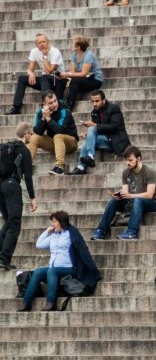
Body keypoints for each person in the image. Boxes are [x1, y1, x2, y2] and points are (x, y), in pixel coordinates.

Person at [18, 210, 101, 312]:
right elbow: (39, 245)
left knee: (51, 271)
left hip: (69, 268)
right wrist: (47, 232)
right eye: (52, 222)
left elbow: (82, 249)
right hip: (53, 269)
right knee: (38, 271)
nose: (53, 224)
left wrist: (91, 268)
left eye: (55, 221)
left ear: (61, 222)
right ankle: (26, 302)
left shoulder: (71, 233)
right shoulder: (53, 235)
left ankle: (51, 302)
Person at [90, 145, 156, 241]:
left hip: (152, 202)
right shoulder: (126, 172)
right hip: (133, 201)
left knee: (138, 200)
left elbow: (149, 194)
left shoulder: (149, 172)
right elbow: (126, 192)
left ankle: (132, 233)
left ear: (138, 159)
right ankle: (100, 231)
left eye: (130, 160)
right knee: (113, 201)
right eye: (126, 160)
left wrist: (130, 195)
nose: (128, 163)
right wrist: (120, 195)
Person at [0, 123, 37, 270]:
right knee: (14, 223)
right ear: (26, 134)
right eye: (31, 134)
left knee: (9, 221)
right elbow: (28, 176)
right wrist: (33, 198)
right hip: (12, 186)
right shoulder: (23, 151)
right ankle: (4, 259)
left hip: (0, 185)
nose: (31, 137)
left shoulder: (4, 148)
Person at [67, 90, 131, 175]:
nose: (94, 104)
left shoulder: (114, 108)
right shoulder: (94, 112)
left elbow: (115, 127)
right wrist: (89, 136)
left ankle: (86, 161)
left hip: (116, 141)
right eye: (92, 101)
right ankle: (82, 166)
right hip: (104, 140)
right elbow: (98, 131)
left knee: (92, 127)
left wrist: (94, 125)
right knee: (88, 138)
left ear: (104, 100)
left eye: (97, 101)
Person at [7, 33, 65, 115]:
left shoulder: (55, 52)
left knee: (44, 76)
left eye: (43, 42)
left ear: (48, 42)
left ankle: (45, 106)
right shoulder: (34, 51)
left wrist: (44, 56)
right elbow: (30, 69)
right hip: (45, 81)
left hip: (58, 80)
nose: (41, 44)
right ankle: (16, 107)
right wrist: (31, 73)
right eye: (39, 42)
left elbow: (50, 71)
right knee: (22, 78)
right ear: (36, 44)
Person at [27, 90, 79, 176]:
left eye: (55, 100)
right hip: (55, 144)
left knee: (58, 136)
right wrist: (43, 118)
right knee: (34, 137)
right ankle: (26, 166)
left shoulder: (64, 110)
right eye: (50, 103)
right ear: (44, 104)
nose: (55, 104)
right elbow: (37, 131)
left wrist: (48, 118)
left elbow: (60, 130)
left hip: (71, 142)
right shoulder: (41, 112)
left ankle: (59, 167)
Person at [61, 35, 104, 110]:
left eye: (73, 43)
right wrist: (64, 75)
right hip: (84, 79)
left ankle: (68, 106)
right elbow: (72, 72)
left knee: (74, 81)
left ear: (78, 46)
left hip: (95, 80)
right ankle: (60, 102)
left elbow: (84, 73)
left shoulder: (88, 55)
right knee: (62, 80)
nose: (71, 44)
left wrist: (69, 74)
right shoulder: (74, 55)